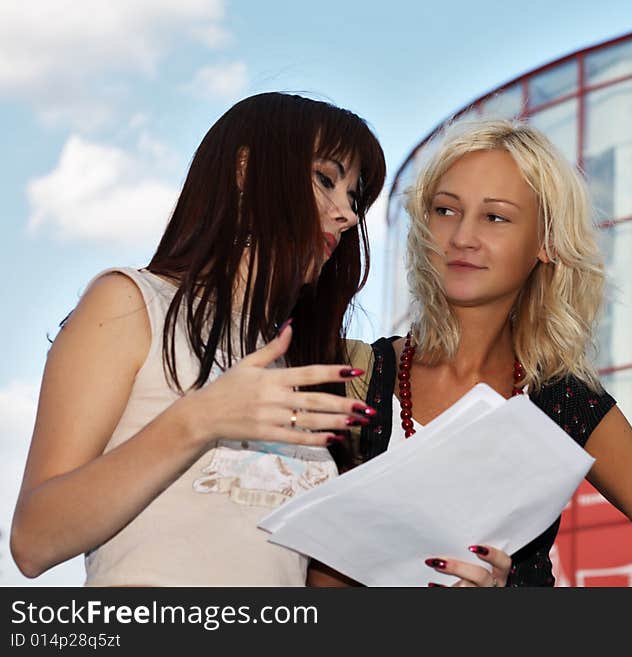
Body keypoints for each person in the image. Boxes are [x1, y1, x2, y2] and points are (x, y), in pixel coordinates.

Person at [311, 118, 632, 587]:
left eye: (495, 217)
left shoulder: (567, 402)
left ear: (546, 243)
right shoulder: (350, 372)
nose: (462, 237)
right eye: (446, 210)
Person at [10, 92, 386, 586]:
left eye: (354, 196)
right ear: (246, 173)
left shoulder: (289, 364)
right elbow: (33, 542)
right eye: (325, 180)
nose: (348, 215)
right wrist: (198, 420)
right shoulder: (130, 302)